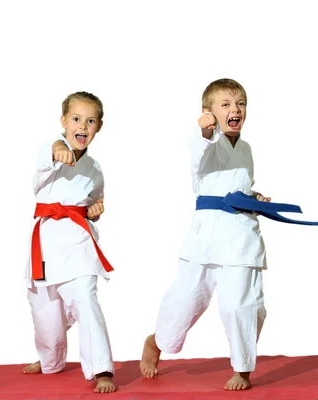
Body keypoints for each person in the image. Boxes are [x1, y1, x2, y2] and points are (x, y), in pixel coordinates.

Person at [140, 78, 269, 391]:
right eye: (225, 104)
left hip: (240, 237)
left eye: (240, 103)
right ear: (208, 112)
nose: (234, 109)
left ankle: (242, 368)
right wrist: (204, 129)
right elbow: (199, 150)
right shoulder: (206, 140)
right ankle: (157, 341)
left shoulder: (247, 148)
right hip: (205, 236)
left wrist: (254, 197)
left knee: (240, 304)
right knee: (186, 298)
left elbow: (234, 185)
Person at [22, 92, 116, 394]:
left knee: (86, 300)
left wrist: (94, 212)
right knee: (46, 315)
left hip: (78, 244)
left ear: (98, 127)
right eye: (76, 119)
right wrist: (57, 148)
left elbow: (92, 203)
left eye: (90, 121)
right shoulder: (50, 149)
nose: (83, 126)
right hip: (47, 243)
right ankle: (49, 359)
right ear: (63, 122)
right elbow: (48, 155)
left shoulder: (95, 168)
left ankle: (101, 368)